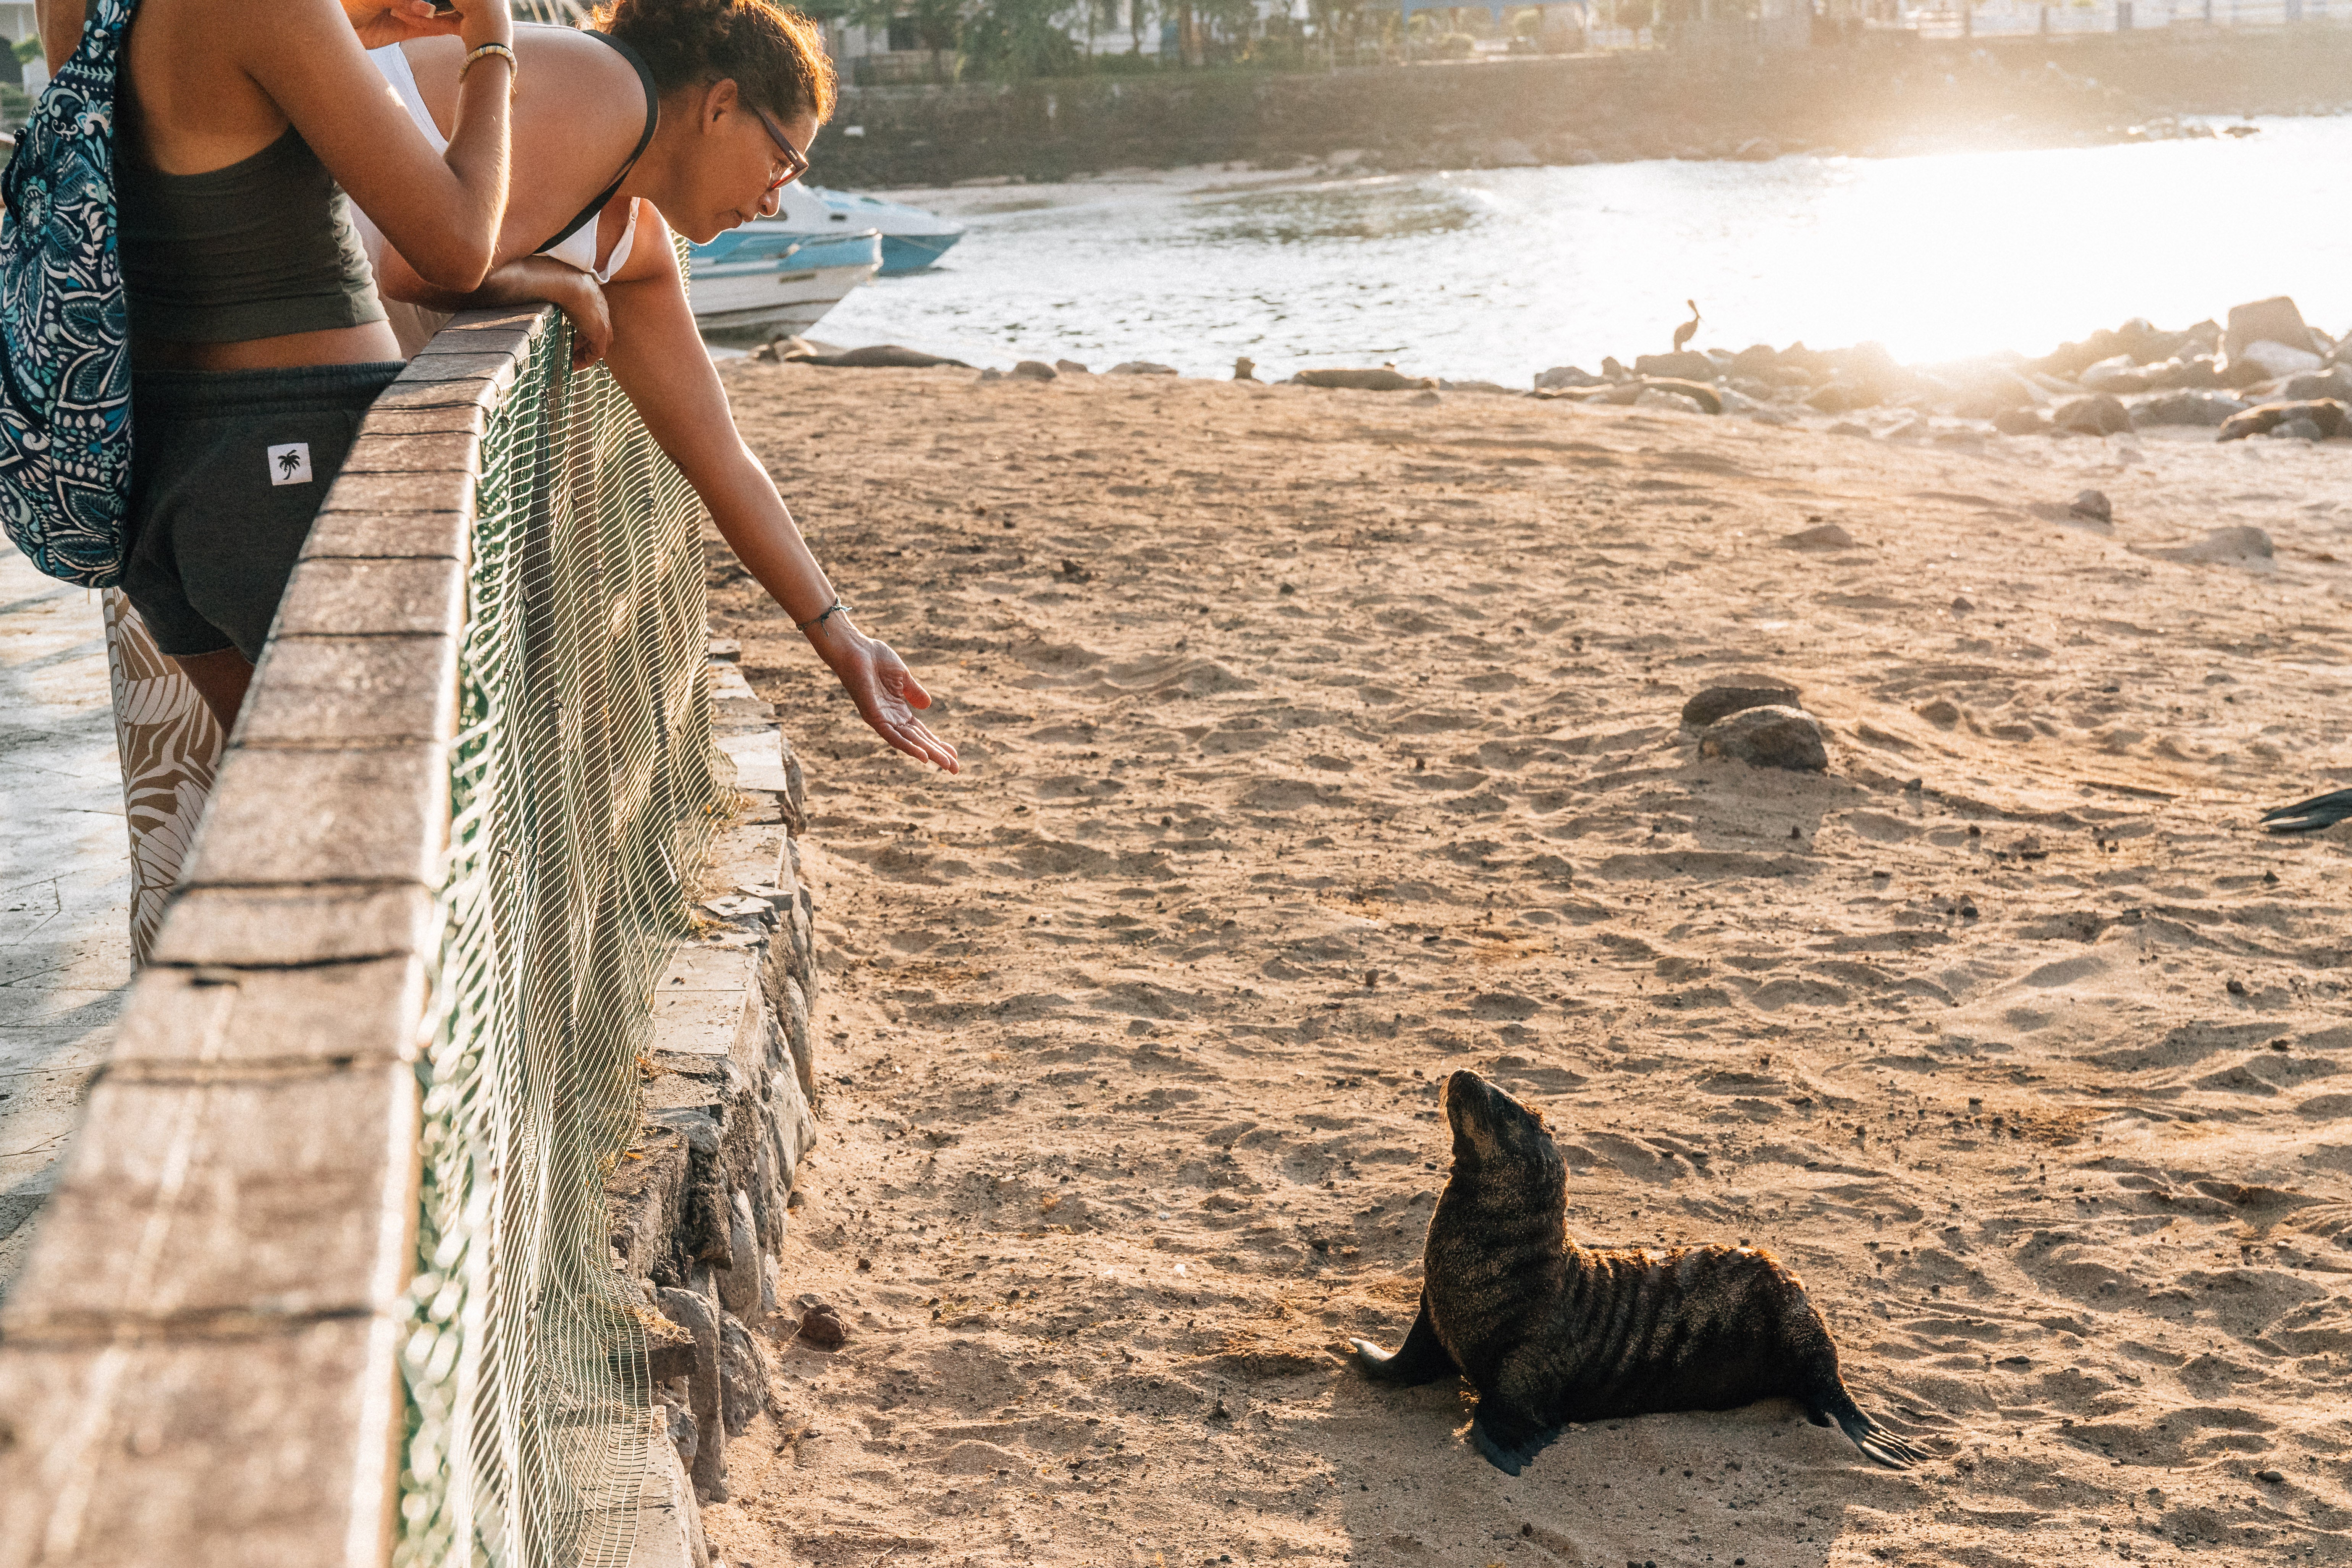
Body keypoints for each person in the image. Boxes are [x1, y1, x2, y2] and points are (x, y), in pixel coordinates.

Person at [355, 0, 959, 775]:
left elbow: (719, 455)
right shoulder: (613, 90)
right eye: (783, 162)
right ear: (720, 106)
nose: (775, 200)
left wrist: (839, 637)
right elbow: (421, 264)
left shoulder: (635, 240)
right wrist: (558, 285)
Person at [38, 0, 521, 730]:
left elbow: (186, 114)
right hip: (293, 454)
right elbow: (455, 246)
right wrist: (493, 48)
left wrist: (341, 38)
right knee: (384, 794)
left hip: (152, 460)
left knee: (280, 791)